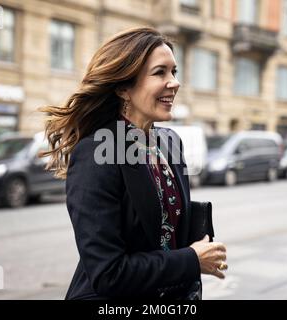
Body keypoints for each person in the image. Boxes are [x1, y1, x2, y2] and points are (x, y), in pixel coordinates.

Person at [40, 27, 227, 300]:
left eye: (174, 72)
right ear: (124, 88)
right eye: (159, 72)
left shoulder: (170, 141)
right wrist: (191, 260)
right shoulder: (95, 152)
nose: (173, 83)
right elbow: (108, 273)